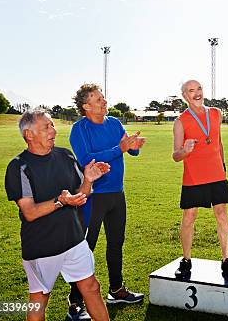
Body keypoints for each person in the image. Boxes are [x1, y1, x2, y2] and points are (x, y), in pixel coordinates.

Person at [5, 110, 111, 321]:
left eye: (52, 125)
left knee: (91, 287)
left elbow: (80, 194)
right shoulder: (18, 167)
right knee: (39, 299)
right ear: (29, 134)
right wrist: (60, 201)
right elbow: (30, 212)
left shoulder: (65, 155)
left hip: (73, 238)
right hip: (42, 245)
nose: (53, 131)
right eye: (46, 127)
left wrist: (88, 180)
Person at [68, 84, 145, 310]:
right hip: (92, 197)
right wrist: (119, 149)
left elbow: (130, 149)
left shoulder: (115, 123)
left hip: (116, 195)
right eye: (98, 99)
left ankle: (116, 290)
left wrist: (134, 146)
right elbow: (87, 159)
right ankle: (75, 300)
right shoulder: (79, 129)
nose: (104, 101)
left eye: (103, 97)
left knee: (116, 244)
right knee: (86, 248)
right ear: (86, 106)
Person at [171, 80, 228, 282]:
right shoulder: (180, 121)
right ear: (185, 96)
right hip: (194, 176)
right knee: (189, 217)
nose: (197, 93)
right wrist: (185, 150)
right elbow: (175, 155)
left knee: (222, 215)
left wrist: (223, 165)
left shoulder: (216, 113)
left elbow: (219, 142)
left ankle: (226, 260)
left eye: (199, 89)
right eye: (191, 91)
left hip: (217, 174)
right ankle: (186, 260)